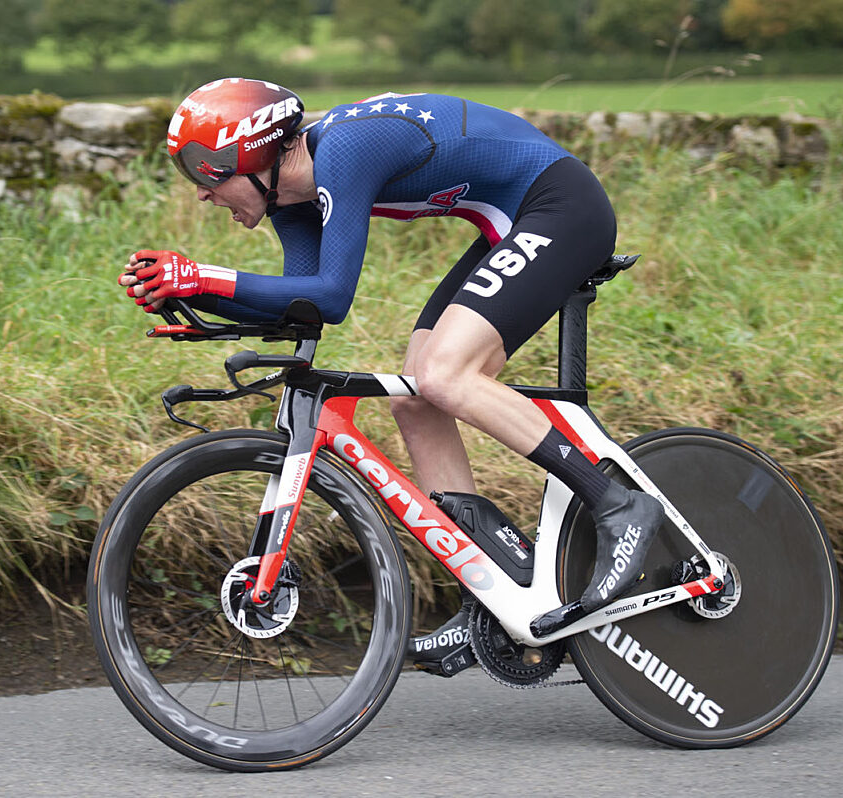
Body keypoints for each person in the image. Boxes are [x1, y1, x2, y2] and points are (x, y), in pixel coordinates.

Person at [120, 77, 665, 677]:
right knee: (415, 399)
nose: (202, 194)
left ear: (252, 156)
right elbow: (303, 308)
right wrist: (189, 299)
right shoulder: (290, 200)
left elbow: (332, 294)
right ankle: (489, 595)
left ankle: (617, 504)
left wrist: (204, 277)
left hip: (561, 207)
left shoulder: (346, 151)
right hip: (511, 223)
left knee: (442, 373)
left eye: (207, 175)